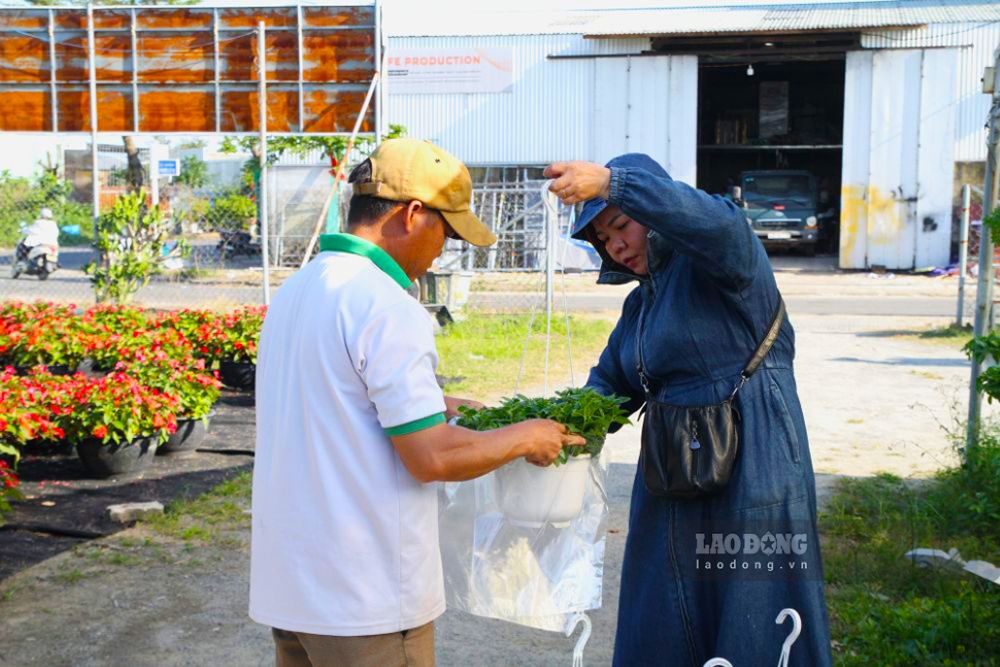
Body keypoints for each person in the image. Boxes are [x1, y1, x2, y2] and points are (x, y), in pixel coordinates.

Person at [250, 138, 584, 667]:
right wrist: (527, 436)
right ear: (412, 214)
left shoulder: (300, 289)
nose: (440, 253)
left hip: (295, 592)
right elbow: (432, 458)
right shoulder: (386, 305)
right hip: (367, 603)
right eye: (446, 232)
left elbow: (331, 397)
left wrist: (436, 401)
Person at [545, 155, 833, 666]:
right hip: (671, 484)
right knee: (662, 618)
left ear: (656, 209)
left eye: (621, 224)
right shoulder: (641, 306)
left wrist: (617, 184)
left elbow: (721, 222)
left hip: (754, 476)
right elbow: (607, 389)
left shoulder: (727, 266)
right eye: (601, 239)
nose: (615, 245)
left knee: (754, 624)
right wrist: (537, 432)